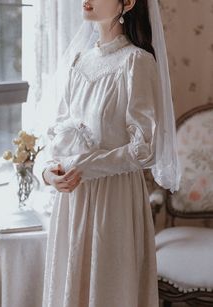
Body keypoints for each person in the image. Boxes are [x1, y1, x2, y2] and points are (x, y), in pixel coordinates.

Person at [41, 0, 180, 306]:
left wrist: (84, 167)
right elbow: (58, 133)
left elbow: (143, 149)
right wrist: (48, 173)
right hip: (71, 201)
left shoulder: (137, 63)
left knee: (108, 290)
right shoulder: (79, 61)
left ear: (127, 3)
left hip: (113, 201)